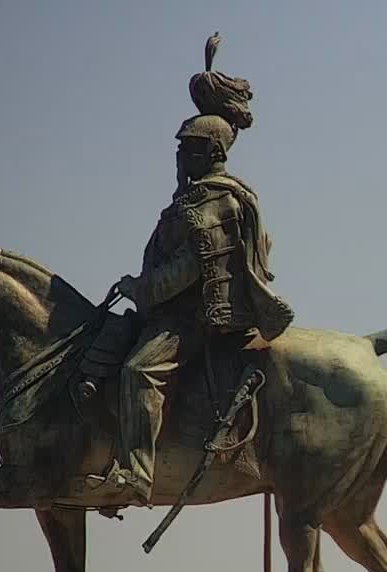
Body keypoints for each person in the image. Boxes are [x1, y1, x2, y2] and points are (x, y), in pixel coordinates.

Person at [104, 40, 293, 507]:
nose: (179, 156)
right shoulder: (194, 197)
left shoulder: (217, 200)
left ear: (210, 151)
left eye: (187, 148)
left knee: (137, 371)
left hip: (192, 319)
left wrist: (139, 287)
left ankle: (136, 474)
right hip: (165, 312)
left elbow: (189, 271)